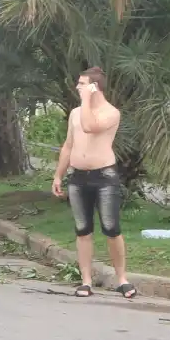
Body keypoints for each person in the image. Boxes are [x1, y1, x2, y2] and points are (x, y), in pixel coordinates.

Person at [51, 66, 137, 300]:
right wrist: (58, 175)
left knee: (111, 228)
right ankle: (86, 281)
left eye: (81, 83)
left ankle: (122, 279)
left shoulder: (111, 113)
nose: (77, 87)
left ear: (93, 86)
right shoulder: (75, 113)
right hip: (78, 178)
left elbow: (90, 127)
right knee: (83, 230)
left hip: (104, 177)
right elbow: (68, 145)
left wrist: (87, 98)